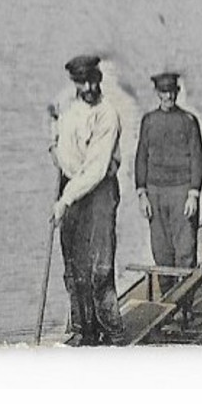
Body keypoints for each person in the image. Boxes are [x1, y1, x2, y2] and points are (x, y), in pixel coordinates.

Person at [51, 54, 125, 346]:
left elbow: (95, 168)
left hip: (100, 191)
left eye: (93, 81)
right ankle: (84, 330)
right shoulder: (68, 112)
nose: (89, 88)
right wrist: (53, 147)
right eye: (83, 83)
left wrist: (64, 200)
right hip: (71, 190)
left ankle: (114, 331)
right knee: (74, 266)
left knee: (101, 267)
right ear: (75, 84)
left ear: (99, 80)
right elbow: (63, 153)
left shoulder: (108, 114)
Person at [134, 72, 202, 270]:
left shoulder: (188, 121)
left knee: (185, 249)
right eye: (164, 92)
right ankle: (168, 297)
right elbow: (141, 157)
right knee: (161, 250)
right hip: (155, 193)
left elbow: (199, 158)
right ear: (157, 93)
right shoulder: (149, 121)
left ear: (177, 92)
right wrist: (141, 193)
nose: (168, 97)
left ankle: (185, 299)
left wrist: (194, 193)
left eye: (172, 92)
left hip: (181, 192)